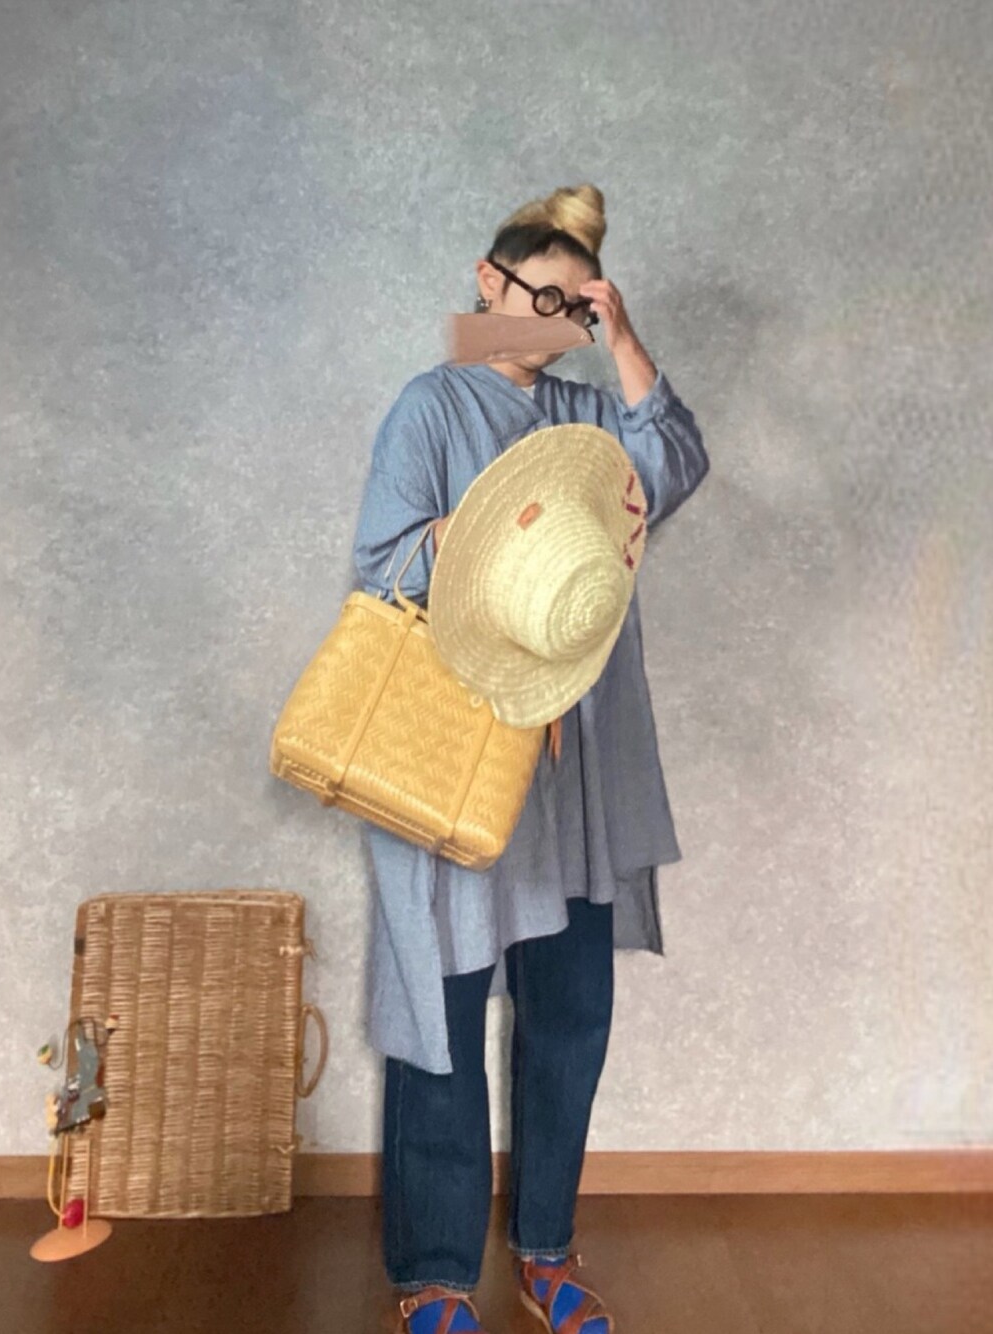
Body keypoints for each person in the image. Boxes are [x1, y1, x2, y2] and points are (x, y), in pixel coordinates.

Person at [351, 184, 709, 1334]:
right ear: (484, 281)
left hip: (574, 765)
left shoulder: (589, 413)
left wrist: (624, 335)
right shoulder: (429, 405)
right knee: (443, 1012)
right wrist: (488, 537)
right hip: (458, 752)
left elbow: (674, 467)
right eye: (532, 297)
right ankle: (435, 1271)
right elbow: (380, 562)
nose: (548, 323)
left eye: (572, 308)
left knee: (570, 1009)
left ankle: (546, 1247)